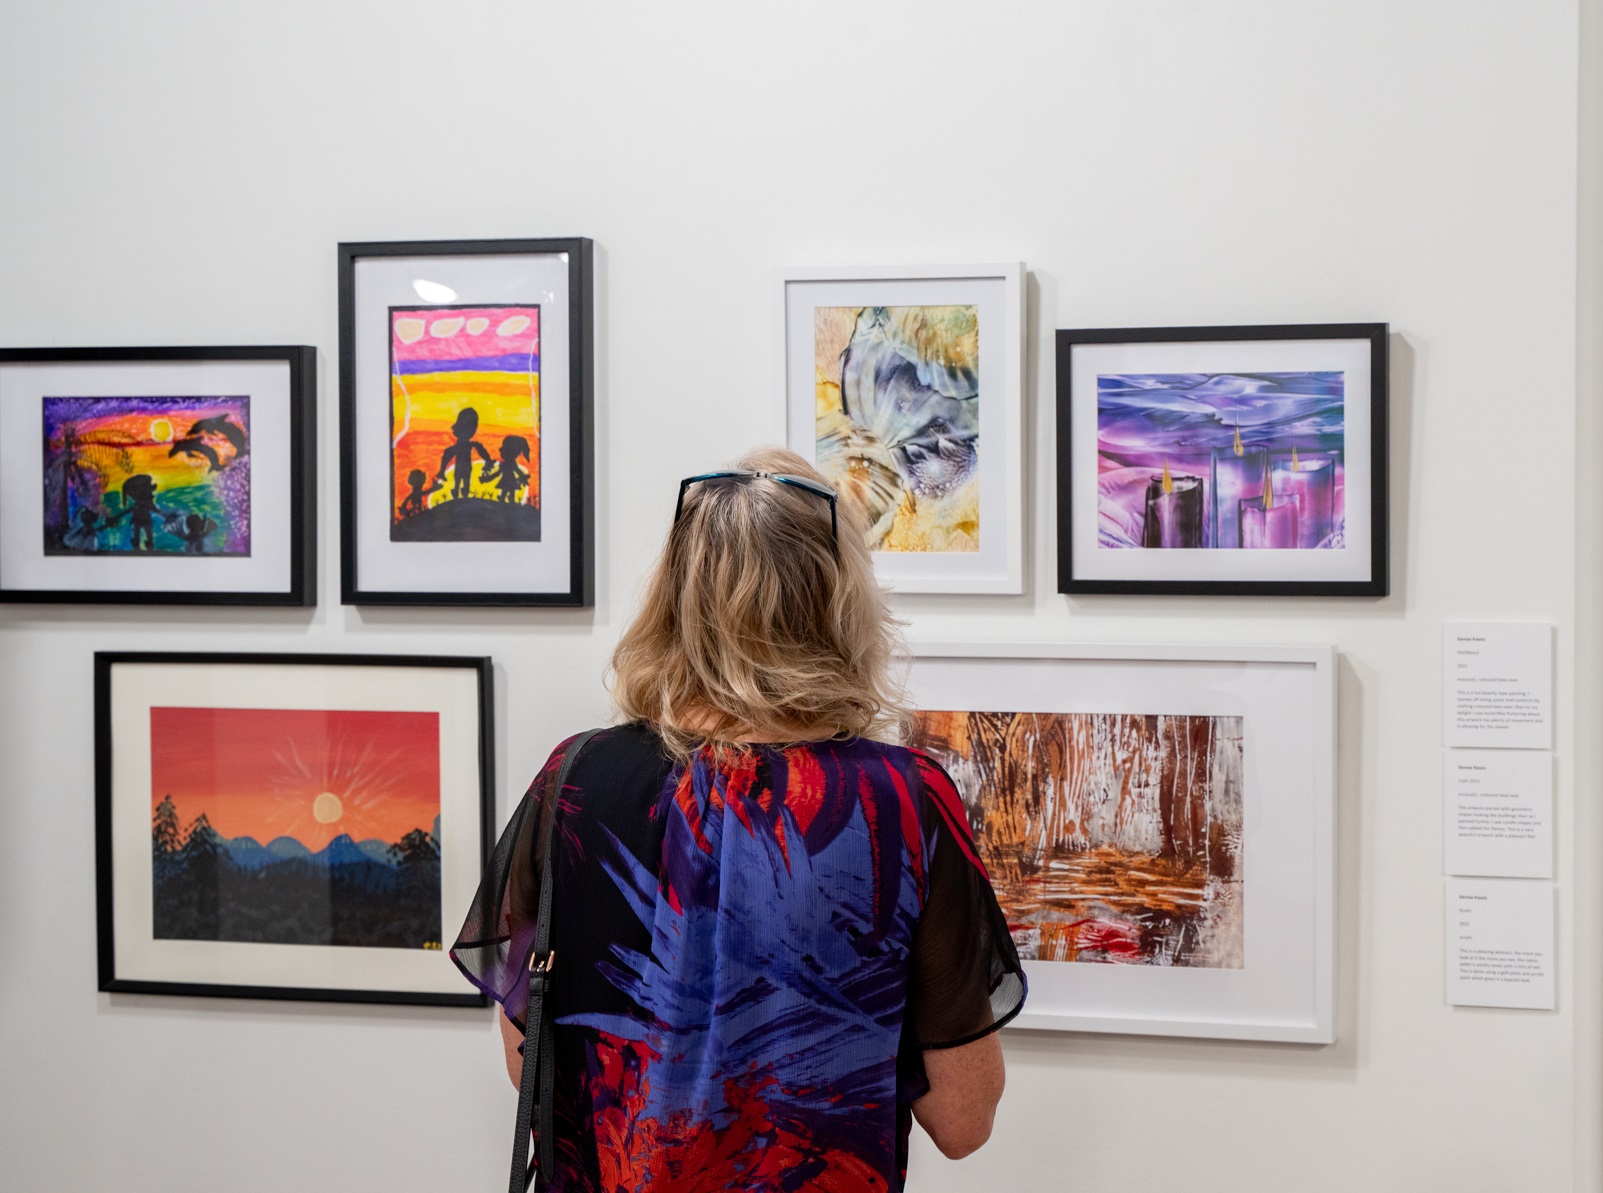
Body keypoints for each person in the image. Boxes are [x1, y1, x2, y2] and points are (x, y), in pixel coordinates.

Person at [452, 446, 1025, 1192]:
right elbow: (963, 1118)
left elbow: (531, 1062)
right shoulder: (901, 802)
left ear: (675, 597)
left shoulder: (573, 779)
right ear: (837, 602)